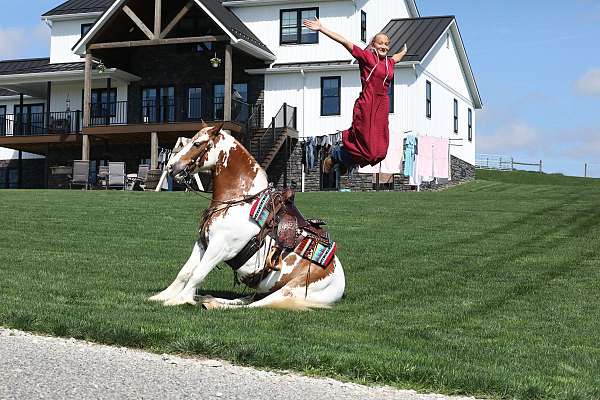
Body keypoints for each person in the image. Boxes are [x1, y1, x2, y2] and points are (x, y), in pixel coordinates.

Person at [303, 18, 408, 173]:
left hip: (382, 107)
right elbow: (345, 42)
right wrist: (322, 28)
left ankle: (345, 161)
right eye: (380, 43)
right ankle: (335, 156)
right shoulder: (366, 57)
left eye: (386, 44)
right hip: (367, 104)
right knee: (368, 149)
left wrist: (404, 51)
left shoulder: (389, 63)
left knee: (379, 153)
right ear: (373, 44)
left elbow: (397, 58)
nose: (384, 46)